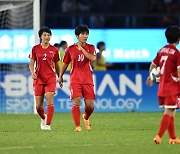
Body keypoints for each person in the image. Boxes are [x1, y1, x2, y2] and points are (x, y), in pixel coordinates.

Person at [146, 25, 180, 144]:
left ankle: (173, 138)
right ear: (178, 39)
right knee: (168, 112)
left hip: (162, 88)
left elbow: (153, 65)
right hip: (172, 87)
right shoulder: (176, 53)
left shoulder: (161, 50)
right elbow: (179, 72)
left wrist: (151, 76)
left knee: (172, 111)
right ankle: (159, 136)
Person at [59, 25, 96, 132]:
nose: (85, 36)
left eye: (86, 34)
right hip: (75, 79)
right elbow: (65, 63)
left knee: (90, 106)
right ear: (77, 36)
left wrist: (82, 50)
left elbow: (92, 58)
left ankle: (85, 117)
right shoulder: (70, 49)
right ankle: (78, 126)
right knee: (76, 101)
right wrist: (60, 76)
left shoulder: (91, 47)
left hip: (88, 79)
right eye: (83, 34)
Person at [29, 27, 61, 130]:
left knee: (49, 101)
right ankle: (44, 118)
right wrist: (32, 72)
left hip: (50, 78)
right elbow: (31, 64)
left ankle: (47, 125)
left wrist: (60, 76)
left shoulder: (54, 50)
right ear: (40, 36)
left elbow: (57, 65)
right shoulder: (35, 49)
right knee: (38, 106)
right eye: (44, 35)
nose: (46, 37)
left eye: (48, 35)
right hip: (38, 78)